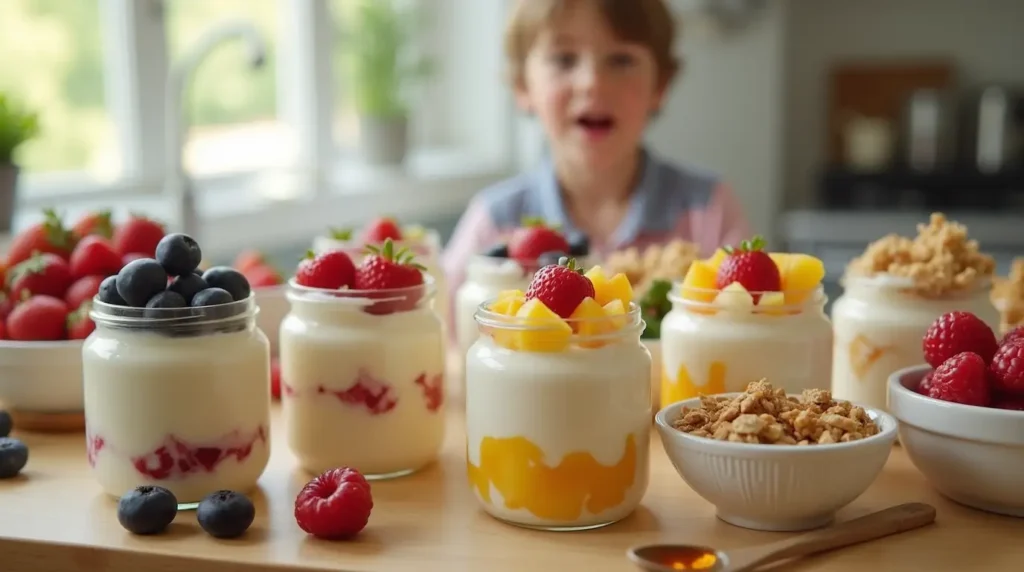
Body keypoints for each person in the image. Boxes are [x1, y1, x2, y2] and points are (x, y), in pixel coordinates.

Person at [443, 0, 751, 301]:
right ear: (523, 85)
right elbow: (449, 339)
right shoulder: (495, 221)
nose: (593, 83)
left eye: (621, 60)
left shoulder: (709, 210)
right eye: (564, 60)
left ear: (660, 85)